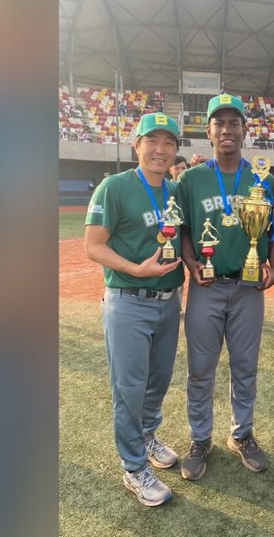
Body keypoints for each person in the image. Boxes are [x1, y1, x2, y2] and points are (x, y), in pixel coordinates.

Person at [174, 93, 274, 481]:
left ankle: (242, 434)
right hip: (206, 287)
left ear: (244, 130)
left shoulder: (263, 179)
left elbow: (273, 230)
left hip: (247, 289)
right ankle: (200, 438)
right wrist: (191, 265)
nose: (226, 130)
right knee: (200, 368)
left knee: (244, 366)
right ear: (208, 131)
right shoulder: (190, 179)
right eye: (219, 123)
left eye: (233, 123)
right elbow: (183, 229)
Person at [83, 112, 186, 507]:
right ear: (137, 145)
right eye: (152, 141)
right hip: (128, 301)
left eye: (168, 143)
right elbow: (93, 246)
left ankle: (147, 435)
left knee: (158, 381)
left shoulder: (174, 190)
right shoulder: (114, 187)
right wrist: (134, 268)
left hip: (167, 302)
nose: (160, 150)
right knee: (129, 388)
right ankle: (133, 466)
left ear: (175, 149)